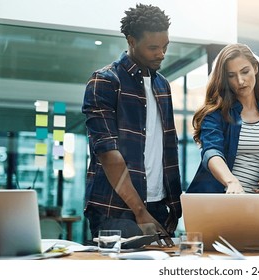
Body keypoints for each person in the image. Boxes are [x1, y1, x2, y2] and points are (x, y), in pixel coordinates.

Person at [81, 4, 182, 247]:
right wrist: (139, 211)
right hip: (116, 209)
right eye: (153, 48)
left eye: (165, 46)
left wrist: (173, 208)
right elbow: (108, 154)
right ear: (131, 41)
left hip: (158, 206)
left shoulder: (162, 86)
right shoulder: (105, 81)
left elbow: (167, 150)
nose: (161, 54)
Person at [186, 43, 259, 195]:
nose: (240, 81)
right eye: (231, 76)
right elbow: (212, 152)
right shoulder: (215, 115)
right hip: (219, 204)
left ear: (255, 68)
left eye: (245, 72)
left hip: (256, 207)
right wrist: (231, 181)